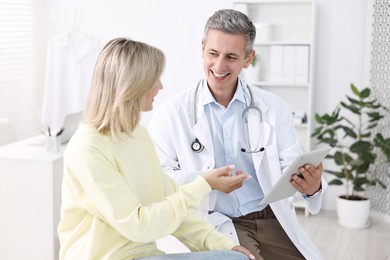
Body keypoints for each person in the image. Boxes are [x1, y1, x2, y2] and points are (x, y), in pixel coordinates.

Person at [148, 9, 327, 260]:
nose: (219, 66)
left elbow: (291, 167)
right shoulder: (171, 113)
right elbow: (161, 181)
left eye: (231, 57)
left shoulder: (272, 107)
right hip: (217, 221)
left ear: (248, 58)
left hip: (270, 216)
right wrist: (206, 181)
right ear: (202, 48)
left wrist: (312, 187)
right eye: (213, 53)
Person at [57, 38, 255, 260]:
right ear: (133, 86)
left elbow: (174, 209)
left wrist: (222, 244)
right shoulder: (87, 148)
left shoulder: (136, 135)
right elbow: (139, 225)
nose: (160, 87)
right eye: (154, 80)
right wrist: (203, 185)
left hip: (143, 255)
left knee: (236, 258)